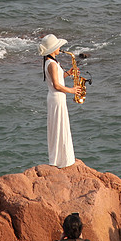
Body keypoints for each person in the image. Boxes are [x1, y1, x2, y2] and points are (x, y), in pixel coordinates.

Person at [38, 34, 76, 168]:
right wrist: (72, 90)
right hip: (56, 98)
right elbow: (56, 85)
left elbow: (57, 79)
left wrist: (68, 73)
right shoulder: (52, 64)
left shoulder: (51, 62)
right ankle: (62, 160)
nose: (60, 48)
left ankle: (60, 159)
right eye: (57, 46)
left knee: (59, 126)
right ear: (52, 49)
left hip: (56, 98)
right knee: (60, 127)